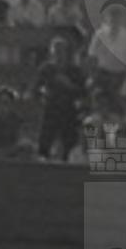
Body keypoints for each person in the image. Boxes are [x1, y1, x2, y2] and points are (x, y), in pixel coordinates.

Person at [32, 33, 86, 162]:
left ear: (66, 52)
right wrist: (42, 93)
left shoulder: (74, 71)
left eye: (62, 50)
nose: (59, 54)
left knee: (69, 142)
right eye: (56, 50)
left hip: (69, 109)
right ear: (51, 52)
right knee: (45, 141)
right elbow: (35, 89)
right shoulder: (46, 69)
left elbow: (82, 92)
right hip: (51, 108)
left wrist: (69, 85)